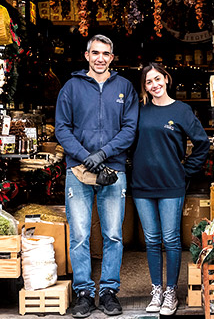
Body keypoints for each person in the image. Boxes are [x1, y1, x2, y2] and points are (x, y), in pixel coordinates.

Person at [55, 35, 139, 318]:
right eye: (95, 53)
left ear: (112, 58)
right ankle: (83, 293)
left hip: (112, 170)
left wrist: (101, 155)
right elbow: (61, 128)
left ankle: (108, 292)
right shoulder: (71, 87)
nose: (100, 58)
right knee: (79, 234)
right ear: (86, 55)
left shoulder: (125, 88)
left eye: (106, 53)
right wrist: (83, 156)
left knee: (113, 234)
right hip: (77, 171)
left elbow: (129, 129)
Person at [129, 63, 211, 315]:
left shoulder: (182, 110)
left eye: (157, 79)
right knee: (152, 241)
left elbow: (202, 143)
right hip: (142, 185)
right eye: (148, 82)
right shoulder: (139, 111)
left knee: (172, 239)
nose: (154, 85)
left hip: (171, 185)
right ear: (144, 87)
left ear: (166, 78)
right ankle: (156, 290)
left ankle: (171, 292)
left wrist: (186, 171)